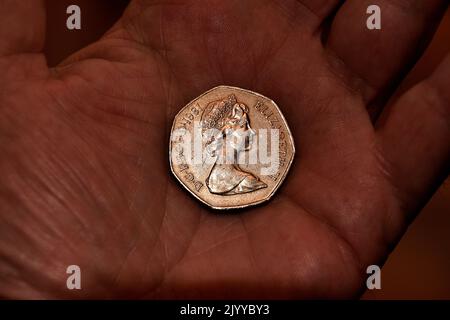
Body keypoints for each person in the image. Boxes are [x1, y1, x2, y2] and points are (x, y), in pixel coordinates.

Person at [0, 0, 448, 299]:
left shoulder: (249, 180)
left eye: (248, 124)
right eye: (240, 125)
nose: (250, 132)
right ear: (216, 135)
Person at [202, 94, 267, 195]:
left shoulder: (209, 182)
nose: (252, 132)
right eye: (244, 125)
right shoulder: (248, 181)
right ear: (227, 131)